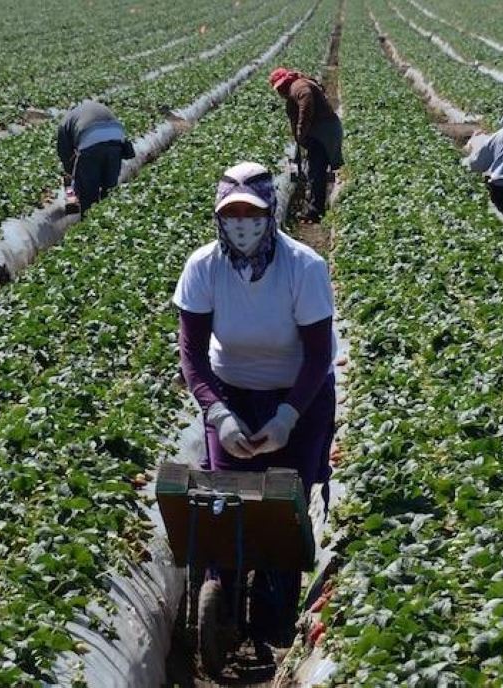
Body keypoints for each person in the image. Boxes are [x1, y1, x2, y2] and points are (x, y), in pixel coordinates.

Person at [173, 161, 336, 644]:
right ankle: (220, 588)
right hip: (231, 393)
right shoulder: (203, 266)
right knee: (226, 502)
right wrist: (219, 414)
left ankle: (275, 608)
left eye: (253, 212)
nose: (242, 223)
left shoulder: (303, 266)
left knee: (283, 507)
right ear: (218, 216)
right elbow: (192, 355)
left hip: (298, 398)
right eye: (232, 213)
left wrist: (287, 418)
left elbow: (317, 356)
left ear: (271, 212)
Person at [269, 67, 343, 223]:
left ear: (286, 81)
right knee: (315, 170)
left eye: (280, 87)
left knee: (316, 171)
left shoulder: (299, 87)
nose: (280, 92)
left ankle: (314, 211)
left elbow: (307, 102)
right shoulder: (298, 86)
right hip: (322, 132)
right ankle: (315, 207)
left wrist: (301, 130)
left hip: (324, 133)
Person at [55, 99, 136, 214]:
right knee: (110, 187)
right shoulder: (96, 108)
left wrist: (71, 174)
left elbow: (64, 152)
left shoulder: (66, 120)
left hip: (90, 141)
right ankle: (108, 218)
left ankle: (89, 221)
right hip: (116, 139)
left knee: (89, 192)